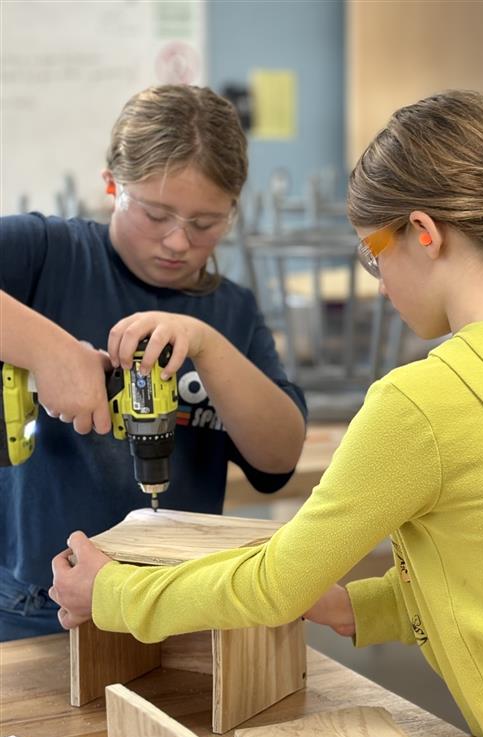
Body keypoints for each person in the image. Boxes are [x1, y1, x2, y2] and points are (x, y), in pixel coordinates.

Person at [50, 90, 483, 737]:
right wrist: (355, 605)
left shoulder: (422, 403)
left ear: (424, 233)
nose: (381, 281)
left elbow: (275, 586)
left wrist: (112, 594)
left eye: (373, 253)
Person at [0, 84, 307, 641]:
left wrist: (208, 345)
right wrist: (50, 351)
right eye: (156, 213)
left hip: (176, 610)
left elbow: (278, 460)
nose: (178, 242)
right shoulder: (46, 255)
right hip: (34, 609)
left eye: (205, 223)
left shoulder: (231, 310)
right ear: (112, 185)